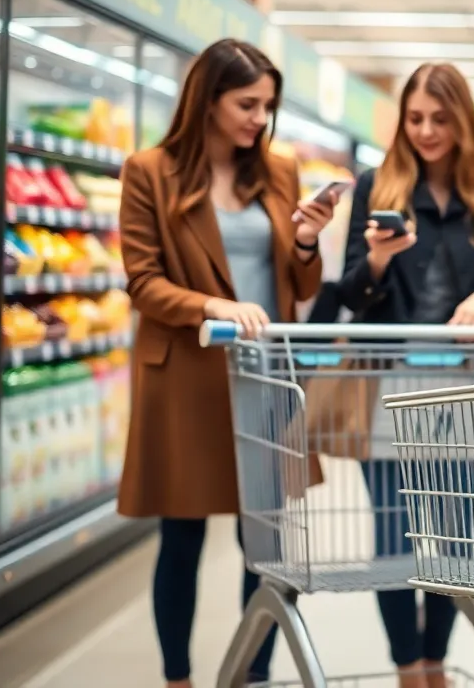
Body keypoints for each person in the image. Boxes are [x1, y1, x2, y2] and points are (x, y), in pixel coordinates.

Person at [116, 38, 336, 687]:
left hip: (263, 377)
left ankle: (253, 675)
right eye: (246, 103)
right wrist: (212, 304)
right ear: (206, 100)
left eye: (267, 105)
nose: (259, 118)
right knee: (181, 538)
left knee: (263, 545)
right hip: (185, 375)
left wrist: (304, 239)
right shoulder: (149, 170)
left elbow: (300, 286)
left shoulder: (278, 169)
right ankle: (178, 678)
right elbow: (143, 282)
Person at [337, 62, 474, 688]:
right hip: (388, 378)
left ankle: (434, 660)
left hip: (465, 382)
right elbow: (351, 291)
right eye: (415, 119)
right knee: (393, 537)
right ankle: (406, 669)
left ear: (463, 121)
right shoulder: (378, 187)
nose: (426, 131)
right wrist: (374, 259)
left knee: (454, 540)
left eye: (440, 119)